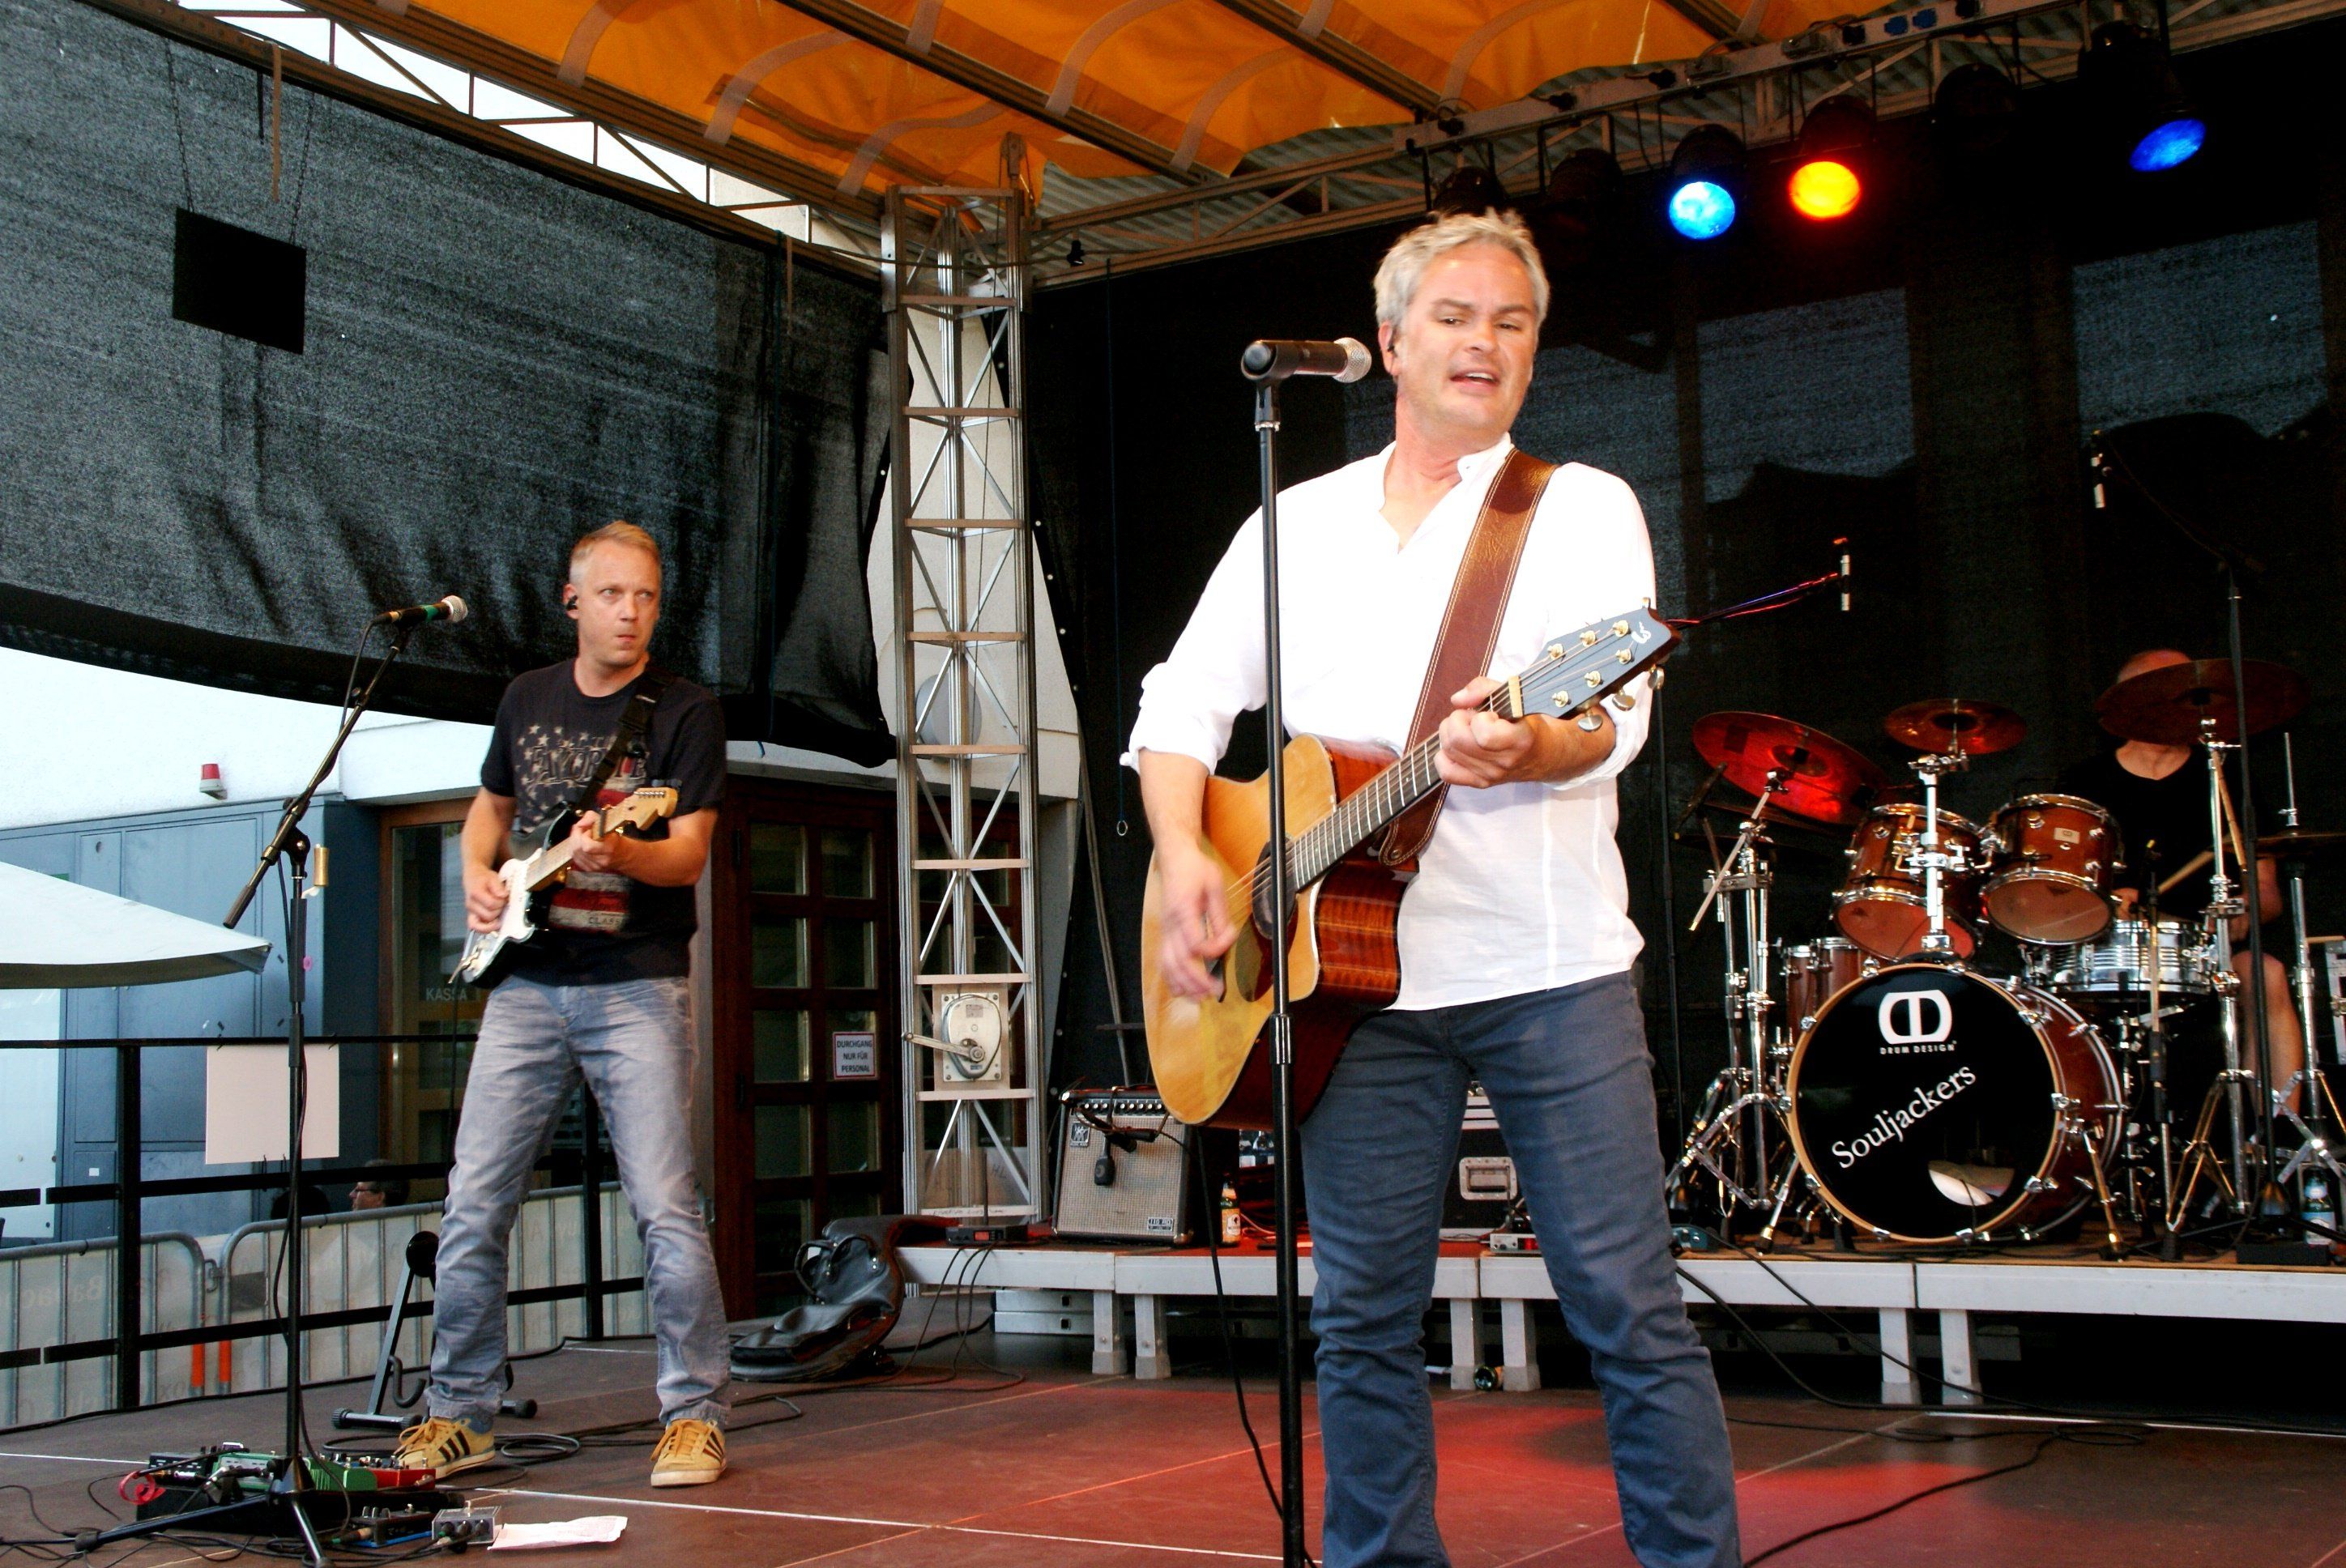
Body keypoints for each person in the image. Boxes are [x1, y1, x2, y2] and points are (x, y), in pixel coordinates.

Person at [1128, 211, 1738, 1568]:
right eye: (1455, 317)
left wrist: (1532, 744)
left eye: (1513, 323)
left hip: (1547, 968)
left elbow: (1611, 714)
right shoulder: (1296, 520)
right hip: (1354, 992)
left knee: (1627, 1307)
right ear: (1390, 342)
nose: (1485, 342)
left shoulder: (1577, 506)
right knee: (1359, 1318)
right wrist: (1185, 853)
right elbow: (1178, 708)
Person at [395, 521, 732, 1489]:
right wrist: (476, 875)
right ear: (572, 600)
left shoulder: (685, 711)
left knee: (664, 1205)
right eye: (613, 594)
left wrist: (619, 849)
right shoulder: (526, 697)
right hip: (526, 985)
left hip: (636, 984)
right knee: (472, 1203)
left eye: (647, 597)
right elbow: (490, 814)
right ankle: (459, 1412)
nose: (632, 613)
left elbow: (687, 853)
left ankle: (694, 1416)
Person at [2062, 646, 2306, 1115]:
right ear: (2128, 702)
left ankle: (2279, 1135)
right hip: (2109, 958)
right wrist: (2100, 903)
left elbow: (2268, 895)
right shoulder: (2083, 784)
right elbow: (2056, 895)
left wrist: (2244, 909)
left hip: (2204, 956)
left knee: (2267, 973)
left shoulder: (2226, 778)